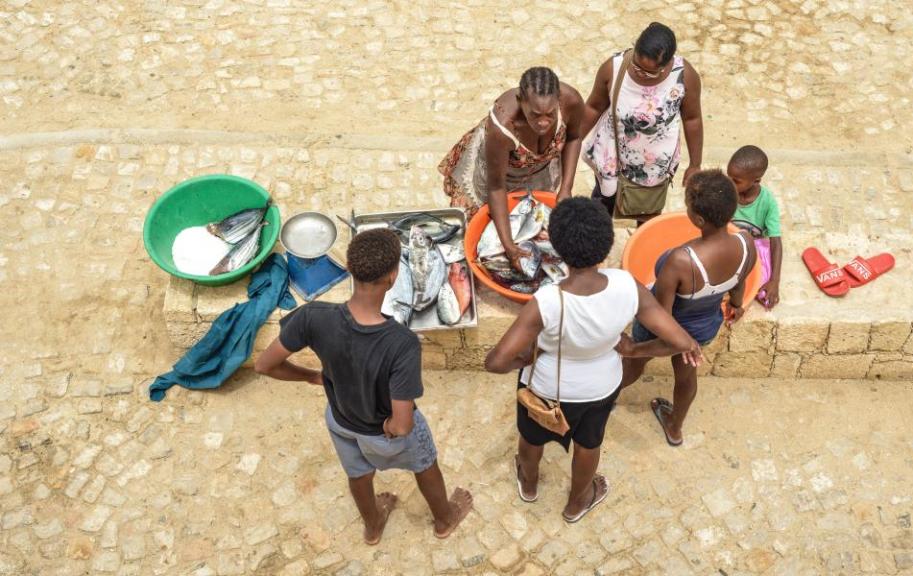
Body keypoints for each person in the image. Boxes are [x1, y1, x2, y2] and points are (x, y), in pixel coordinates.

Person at [484, 197, 700, 523]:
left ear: (557, 246)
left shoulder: (547, 300)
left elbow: (496, 361)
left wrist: (525, 359)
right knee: (588, 444)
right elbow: (681, 341)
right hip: (601, 388)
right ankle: (576, 504)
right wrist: (634, 351)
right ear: (607, 244)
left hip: (546, 388)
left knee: (532, 436)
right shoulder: (628, 286)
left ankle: (528, 485)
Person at [254, 229, 472, 545]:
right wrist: (386, 425)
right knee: (424, 462)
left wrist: (310, 376)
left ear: (350, 269)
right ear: (394, 276)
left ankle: (372, 526)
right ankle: (444, 518)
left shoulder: (313, 316)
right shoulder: (402, 344)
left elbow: (264, 365)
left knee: (357, 473)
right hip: (381, 432)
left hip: (340, 421)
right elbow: (402, 424)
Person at [620, 170, 757, 447]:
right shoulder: (746, 243)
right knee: (686, 375)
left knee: (633, 362)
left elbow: (661, 316)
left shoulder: (681, 261)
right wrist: (736, 305)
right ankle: (675, 427)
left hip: (666, 329)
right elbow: (738, 284)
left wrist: (641, 348)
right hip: (704, 327)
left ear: (697, 219)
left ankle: (606, 398)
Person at [439, 66, 584, 271]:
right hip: (496, 169)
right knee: (486, 218)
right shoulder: (503, 126)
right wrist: (508, 246)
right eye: (535, 115)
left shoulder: (572, 102)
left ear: (558, 101)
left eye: (550, 115)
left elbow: (574, 138)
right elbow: (496, 188)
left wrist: (566, 188)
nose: (543, 123)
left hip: (538, 167)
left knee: (530, 214)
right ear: (520, 100)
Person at [581, 22, 703, 224]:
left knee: (647, 213)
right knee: (602, 203)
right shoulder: (613, 68)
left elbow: (693, 119)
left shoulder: (685, 77)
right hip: (612, 155)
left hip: (653, 163)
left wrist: (695, 164)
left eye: (650, 72)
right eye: (636, 65)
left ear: (667, 64)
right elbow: (593, 106)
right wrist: (572, 140)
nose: (639, 73)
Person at [727, 145, 783, 309]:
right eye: (729, 176)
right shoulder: (726, 193)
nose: (730, 183)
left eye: (736, 181)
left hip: (756, 247)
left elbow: (776, 242)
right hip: (729, 243)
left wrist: (775, 281)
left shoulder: (767, 202)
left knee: (764, 292)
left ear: (756, 180)